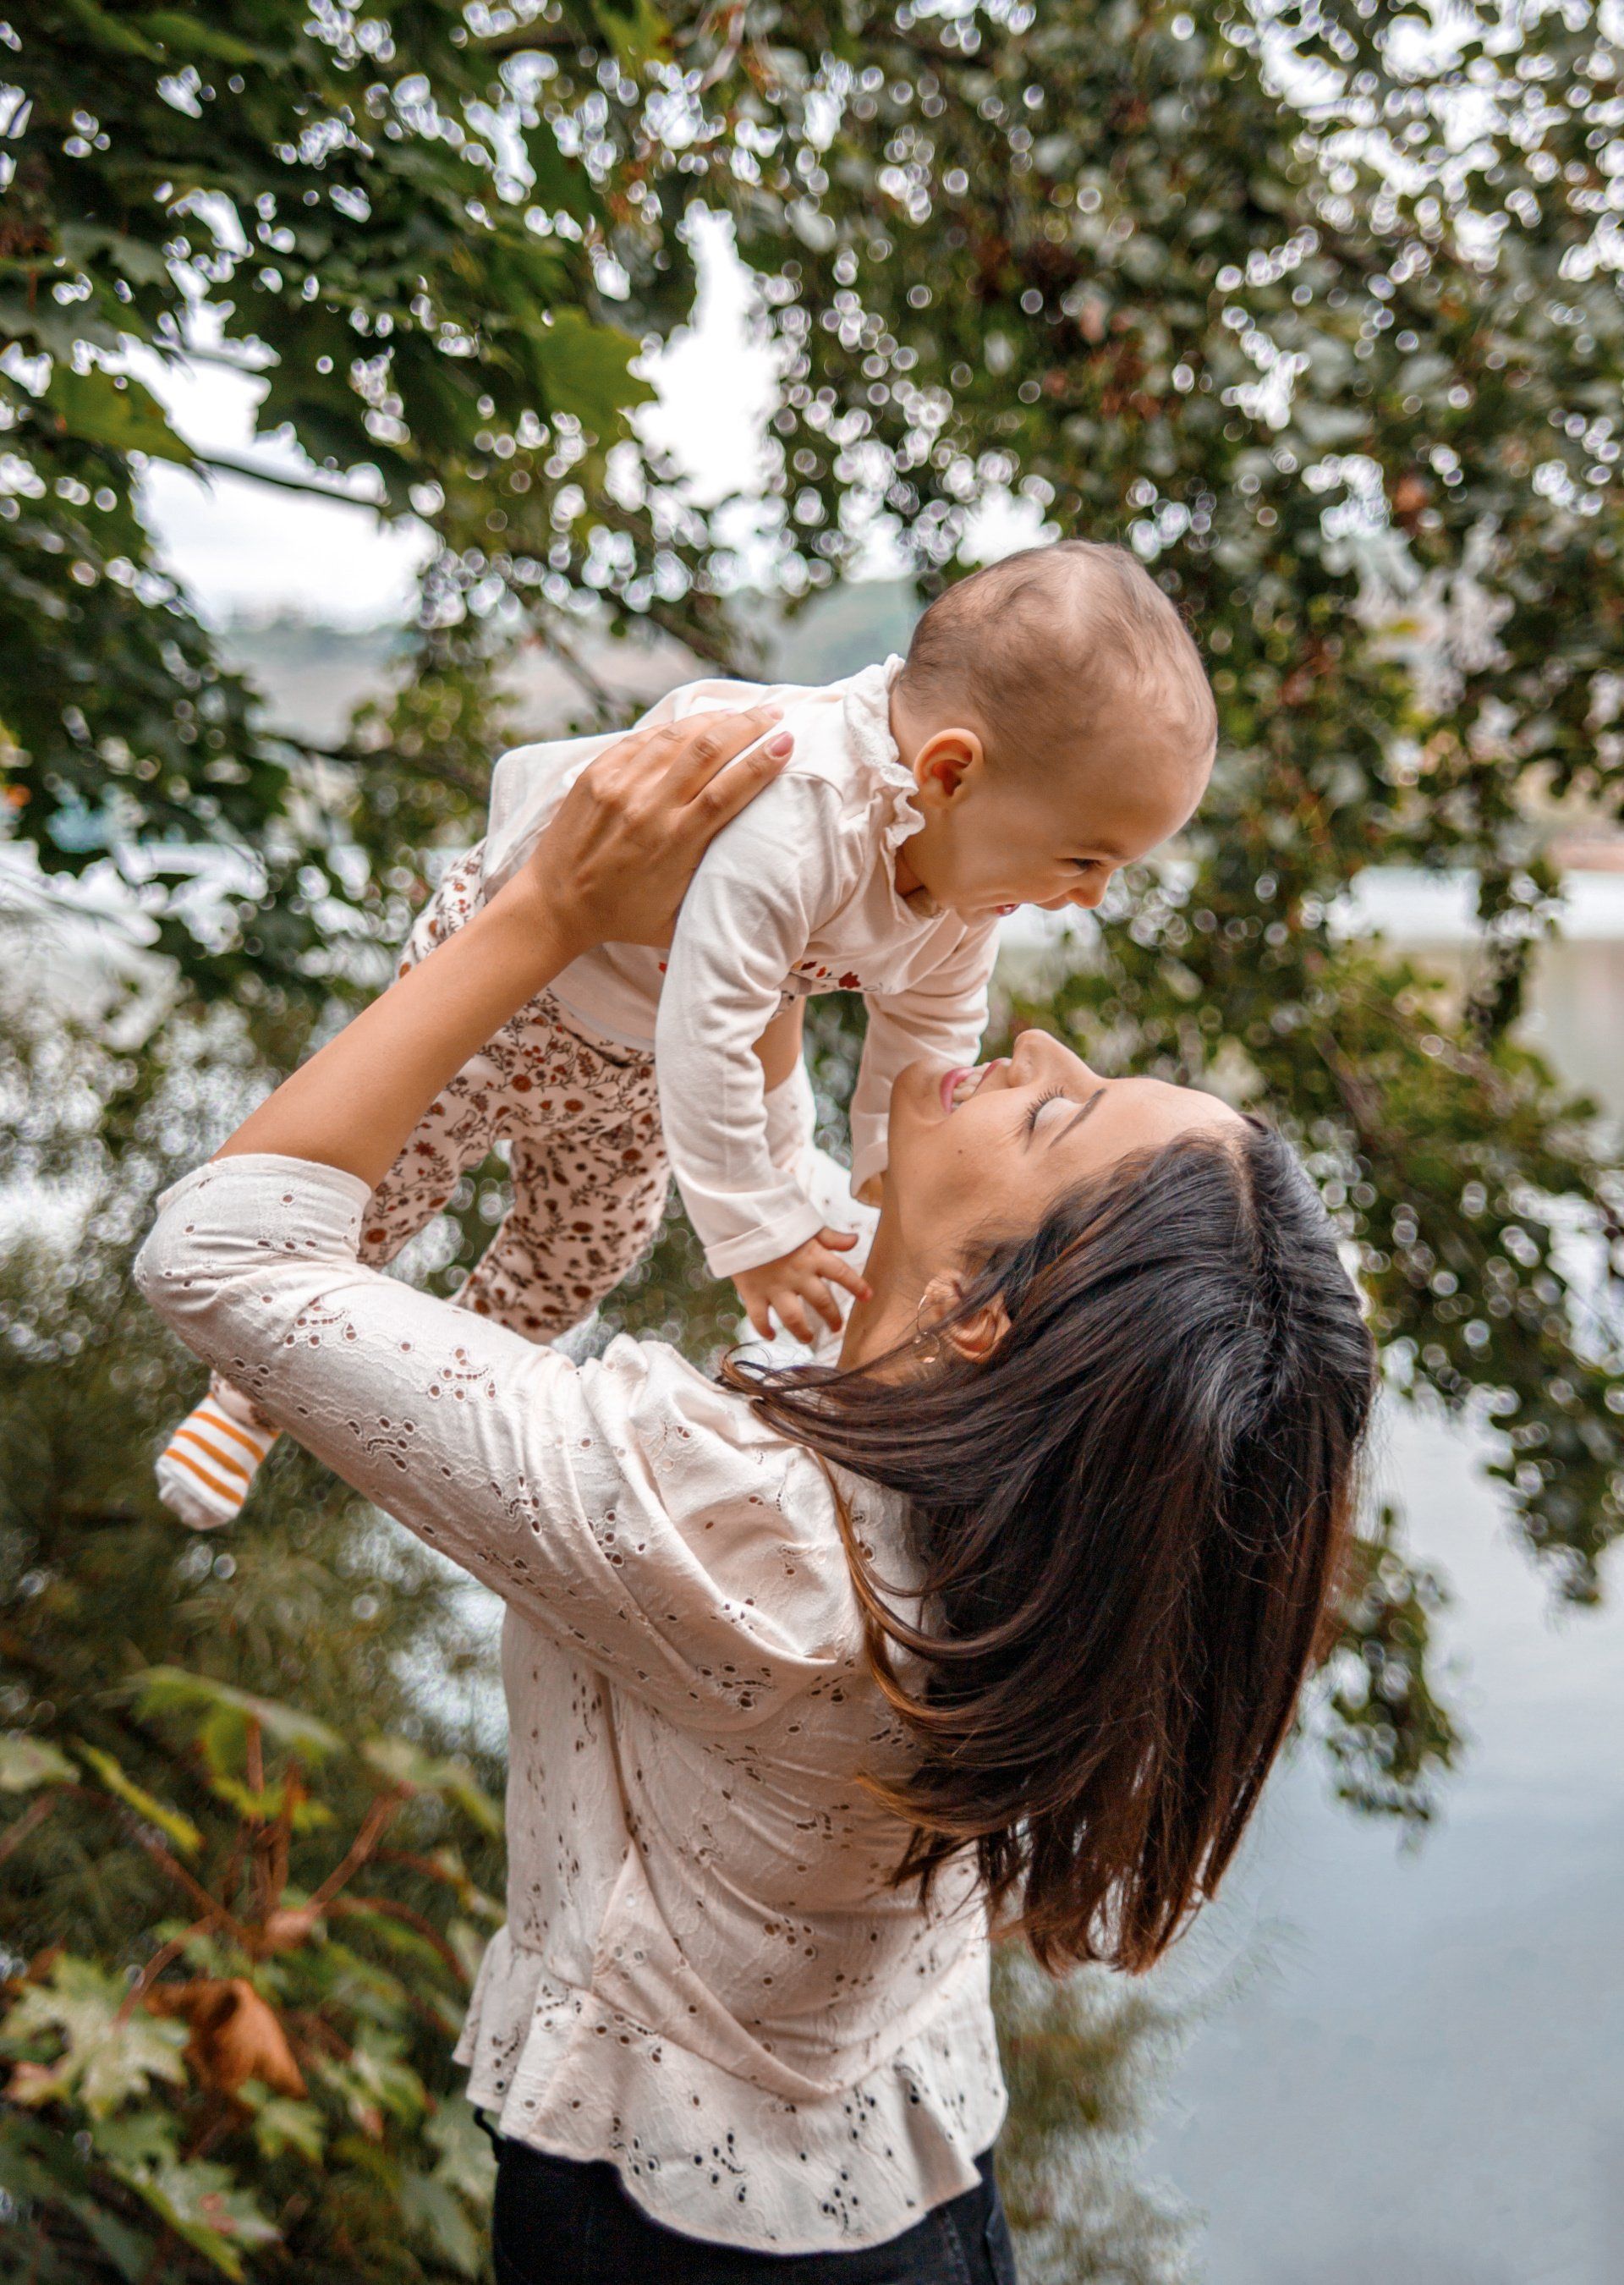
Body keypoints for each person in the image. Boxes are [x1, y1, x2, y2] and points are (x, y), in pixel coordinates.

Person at [134, 706, 1375, 2283]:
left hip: (672, 2235)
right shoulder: (1036, 1510)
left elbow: (221, 1255)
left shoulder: (740, 1537)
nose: (1043, 1049)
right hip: (924, 2173)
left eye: (1058, 1114)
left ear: (982, 1317)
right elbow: (787, 1209)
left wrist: (544, 914)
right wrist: (765, 942)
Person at [154, 541, 1218, 1528]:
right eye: (1085, 858)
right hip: (516, 1001)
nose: (1091, 895)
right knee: (381, 1193)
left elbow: (930, 1033)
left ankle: (428, 1386)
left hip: (634, 1070)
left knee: (582, 1255)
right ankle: (246, 1396)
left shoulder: (966, 887)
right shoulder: (800, 814)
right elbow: (714, 1032)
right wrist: (758, 1231)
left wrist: (892, 1177)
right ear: (948, 773)